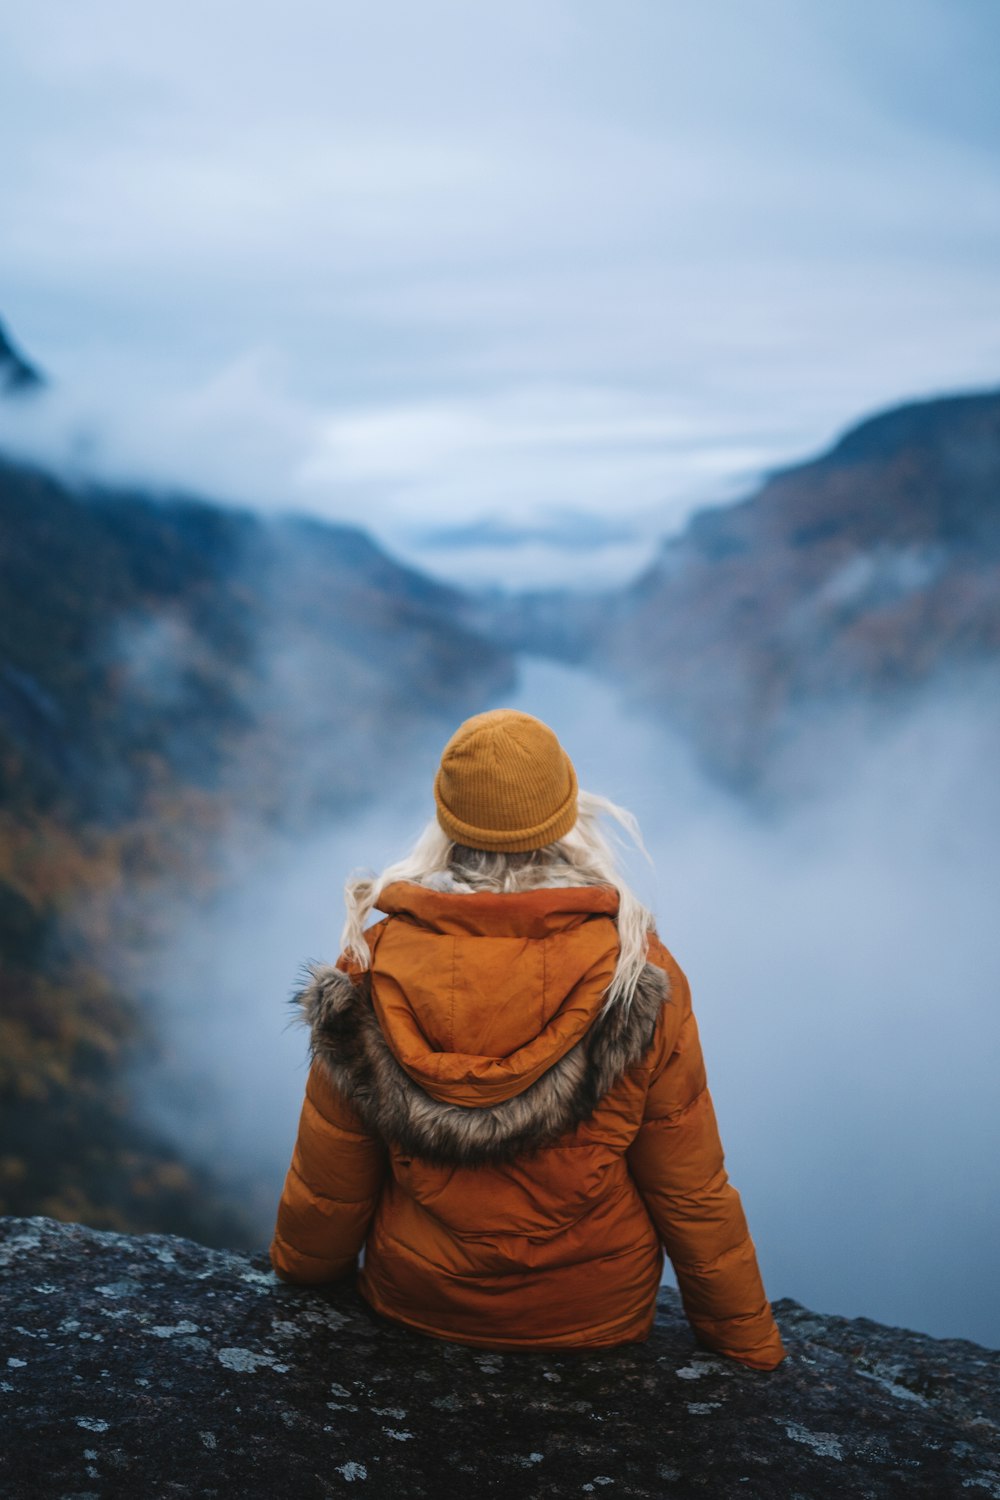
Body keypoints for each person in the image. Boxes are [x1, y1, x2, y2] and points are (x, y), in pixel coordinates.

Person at [269, 708, 787, 1370]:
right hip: (597, 1313)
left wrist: (301, 1274)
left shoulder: (370, 967)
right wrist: (748, 1344)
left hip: (418, 1301)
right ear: (567, 817)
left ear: (448, 820)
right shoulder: (636, 974)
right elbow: (690, 1188)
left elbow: (331, 1176)